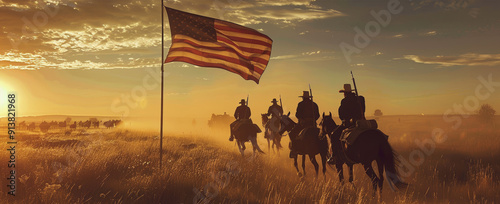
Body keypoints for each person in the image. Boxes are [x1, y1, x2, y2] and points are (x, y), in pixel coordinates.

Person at [328, 84, 365, 164]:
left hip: (349, 124)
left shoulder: (344, 101)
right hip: (362, 123)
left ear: (345, 93)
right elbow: (363, 110)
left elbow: (341, 115)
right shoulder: (360, 99)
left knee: (333, 135)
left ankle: (333, 156)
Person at [289, 91, 319, 157]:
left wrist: (302, 119)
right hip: (312, 124)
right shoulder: (314, 104)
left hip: (303, 124)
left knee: (291, 133)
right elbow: (318, 115)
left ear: (303, 97)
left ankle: (294, 150)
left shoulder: (301, 104)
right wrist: (313, 120)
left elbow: (297, 114)